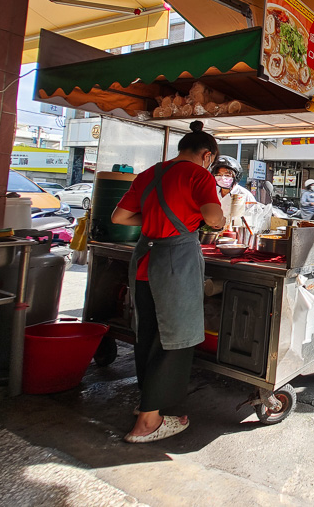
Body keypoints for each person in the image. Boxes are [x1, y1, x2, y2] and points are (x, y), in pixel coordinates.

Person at [111, 121, 224, 443]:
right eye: (212, 161)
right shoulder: (198, 175)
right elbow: (214, 218)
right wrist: (215, 220)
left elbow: (119, 217)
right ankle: (148, 422)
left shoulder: (150, 173)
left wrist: (154, 220)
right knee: (175, 338)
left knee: (148, 334)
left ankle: (147, 404)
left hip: (145, 262)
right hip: (175, 263)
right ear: (207, 155)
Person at [210, 156, 256, 222]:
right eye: (219, 175)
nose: (222, 178)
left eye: (227, 175)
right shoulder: (211, 192)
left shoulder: (245, 195)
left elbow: (253, 218)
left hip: (236, 231)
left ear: (236, 177)